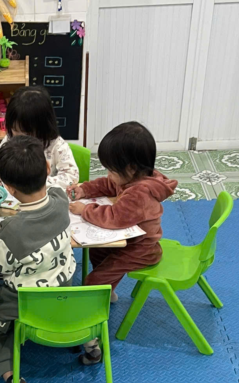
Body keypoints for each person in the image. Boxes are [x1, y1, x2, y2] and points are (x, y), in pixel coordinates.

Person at [0, 135, 75, 383]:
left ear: (9, 189)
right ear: (48, 168)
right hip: (63, 287)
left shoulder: (11, 232)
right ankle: (87, 339)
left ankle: (11, 377)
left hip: (22, 300)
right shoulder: (60, 198)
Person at [67, 121, 178, 365]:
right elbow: (109, 184)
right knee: (98, 254)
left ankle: (90, 335)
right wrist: (85, 190)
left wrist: (85, 209)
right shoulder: (134, 177)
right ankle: (108, 290)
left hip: (141, 249)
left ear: (130, 168)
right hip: (132, 241)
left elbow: (114, 218)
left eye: (111, 169)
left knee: (93, 281)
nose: (108, 175)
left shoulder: (140, 193)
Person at [0, 85, 79, 190]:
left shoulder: (57, 146)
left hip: (46, 197)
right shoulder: (10, 139)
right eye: (15, 129)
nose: (19, 138)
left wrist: (33, 182)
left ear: (44, 127)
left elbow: (71, 177)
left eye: (27, 133)